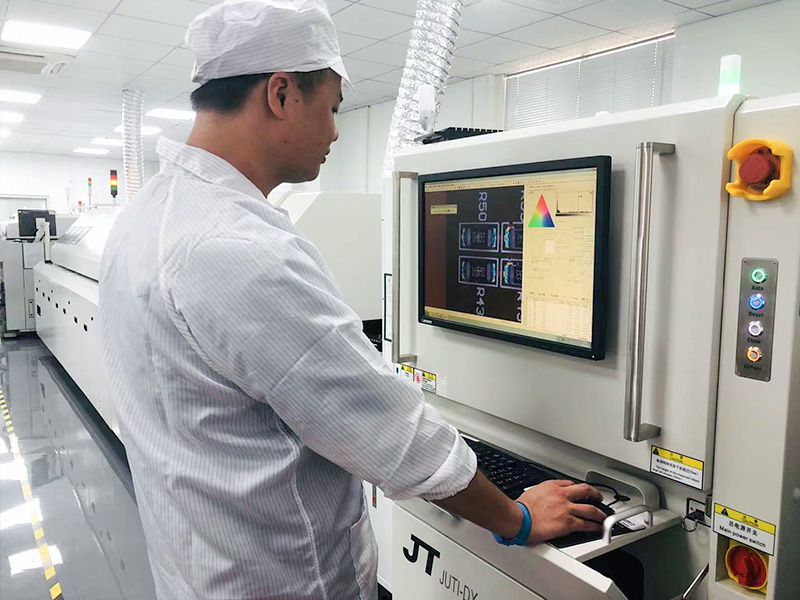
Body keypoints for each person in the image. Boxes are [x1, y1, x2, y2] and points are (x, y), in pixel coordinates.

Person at [98, 1, 607, 599]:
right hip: (281, 582)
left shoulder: (146, 215)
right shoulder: (238, 248)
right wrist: (517, 517)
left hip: (195, 568)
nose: (336, 132)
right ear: (281, 93)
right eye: (333, 108)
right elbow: (390, 435)